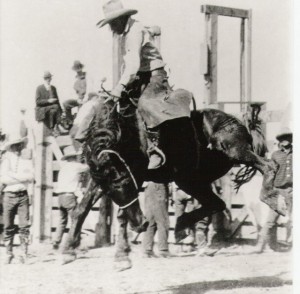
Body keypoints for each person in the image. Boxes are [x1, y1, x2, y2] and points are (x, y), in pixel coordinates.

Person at [97, 0, 193, 170]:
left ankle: (155, 148)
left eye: (112, 23)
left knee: (145, 104)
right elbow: (129, 66)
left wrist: (119, 86)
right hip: (139, 78)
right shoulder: (124, 34)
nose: (111, 28)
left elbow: (133, 65)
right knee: (119, 108)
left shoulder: (135, 31)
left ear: (120, 19)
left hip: (155, 76)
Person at [256, 130, 293, 253]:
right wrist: (270, 191)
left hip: (293, 191)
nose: (285, 140)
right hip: (279, 192)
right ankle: (261, 245)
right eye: (282, 138)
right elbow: (270, 174)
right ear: (280, 142)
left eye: (288, 137)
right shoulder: (275, 155)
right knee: (271, 221)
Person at [0, 135, 34, 264]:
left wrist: (14, 176)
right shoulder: (6, 161)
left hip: (22, 195)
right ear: (11, 147)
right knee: (8, 225)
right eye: (14, 145)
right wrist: (22, 177)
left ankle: (23, 253)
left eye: (19, 145)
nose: (17, 148)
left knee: (24, 225)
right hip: (9, 195)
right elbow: (3, 179)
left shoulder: (27, 161)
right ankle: (8, 253)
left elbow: (31, 177)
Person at [52, 145, 89, 250]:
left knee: (62, 221)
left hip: (60, 197)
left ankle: (56, 241)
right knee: (75, 221)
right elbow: (87, 168)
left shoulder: (64, 167)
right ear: (73, 157)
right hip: (69, 197)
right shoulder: (76, 166)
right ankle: (73, 243)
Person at [142, 182, 170, 258]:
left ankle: (147, 250)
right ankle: (163, 250)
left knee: (150, 219)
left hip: (149, 187)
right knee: (162, 220)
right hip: (158, 185)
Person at [63, 61, 88, 125]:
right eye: (76, 70)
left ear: (81, 68)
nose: (78, 71)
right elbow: (73, 91)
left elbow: (88, 90)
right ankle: (70, 122)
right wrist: (77, 99)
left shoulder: (87, 77)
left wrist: (84, 100)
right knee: (66, 103)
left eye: (79, 69)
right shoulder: (75, 78)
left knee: (80, 114)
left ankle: (79, 124)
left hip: (85, 99)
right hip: (77, 99)